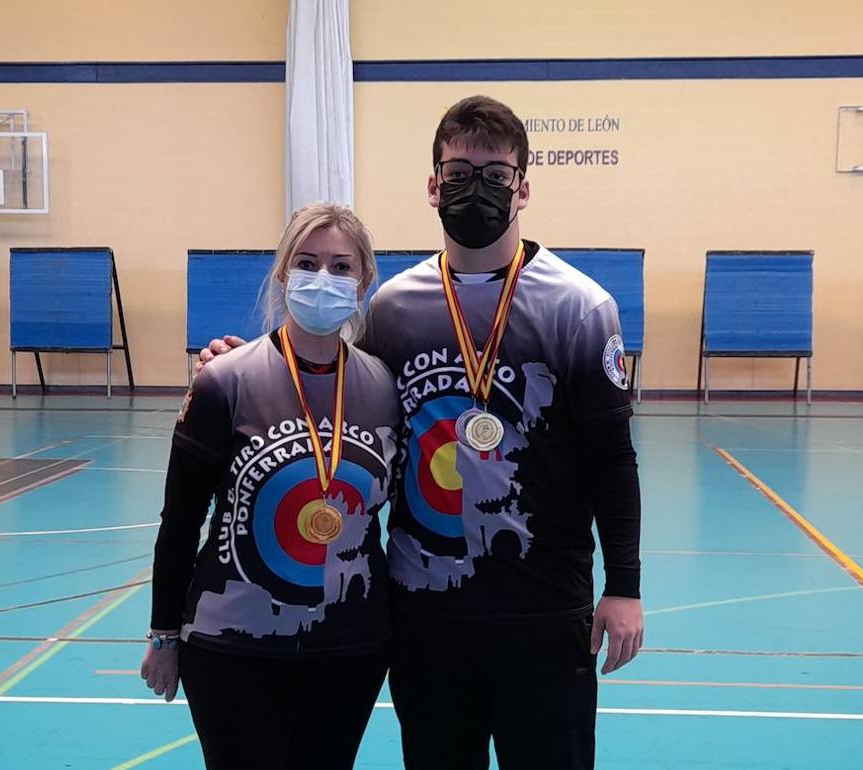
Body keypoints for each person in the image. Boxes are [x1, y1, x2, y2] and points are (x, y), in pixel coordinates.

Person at [196, 95, 643, 770]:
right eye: (459, 171)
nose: (477, 187)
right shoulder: (396, 308)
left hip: (546, 608)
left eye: (496, 173)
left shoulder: (579, 306)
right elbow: (332, 390)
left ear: (524, 186)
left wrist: (626, 585)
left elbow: (613, 459)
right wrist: (235, 359)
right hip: (426, 613)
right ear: (433, 185)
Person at [142, 203, 401, 770]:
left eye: (341, 266)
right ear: (284, 276)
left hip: (349, 648)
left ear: (364, 281)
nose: (323, 279)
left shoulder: (384, 385)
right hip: (232, 644)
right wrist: (163, 635)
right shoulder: (225, 380)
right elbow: (180, 522)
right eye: (307, 263)